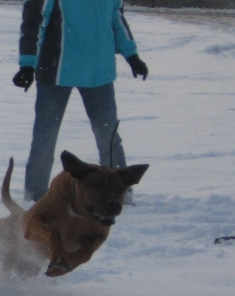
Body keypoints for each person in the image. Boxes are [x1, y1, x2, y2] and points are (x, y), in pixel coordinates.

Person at [13, 0, 148, 203]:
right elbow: (34, 22)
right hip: (55, 73)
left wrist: (132, 55)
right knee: (45, 139)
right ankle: (35, 198)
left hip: (99, 74)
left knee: (108, 137)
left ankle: (120, 196)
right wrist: (28, 64)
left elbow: (116, 19)